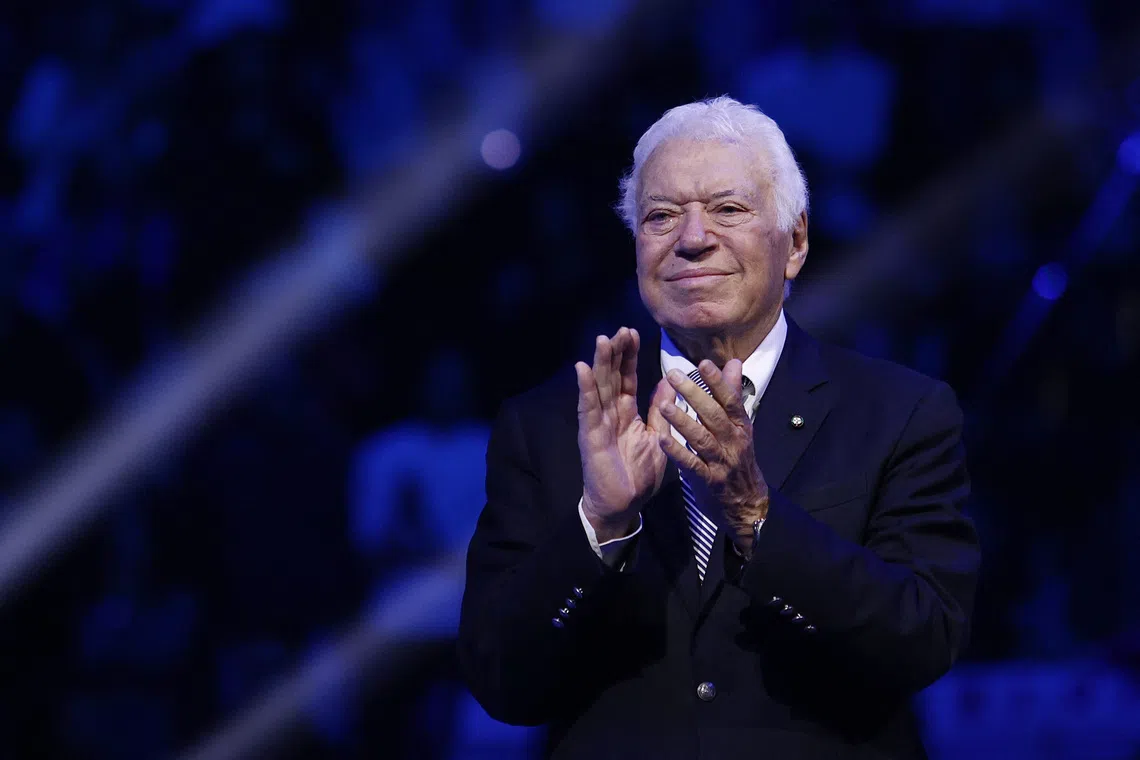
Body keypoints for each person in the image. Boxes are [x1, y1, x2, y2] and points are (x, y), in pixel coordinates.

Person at [458, 96, 980, 759]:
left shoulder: (902, 413)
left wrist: (756, 516)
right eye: (661, 216)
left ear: (794, 242)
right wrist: (598, 527)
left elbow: (924, 639)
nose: (693, 238)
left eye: (728, 210)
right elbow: (501, 680)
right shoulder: (546, 425)